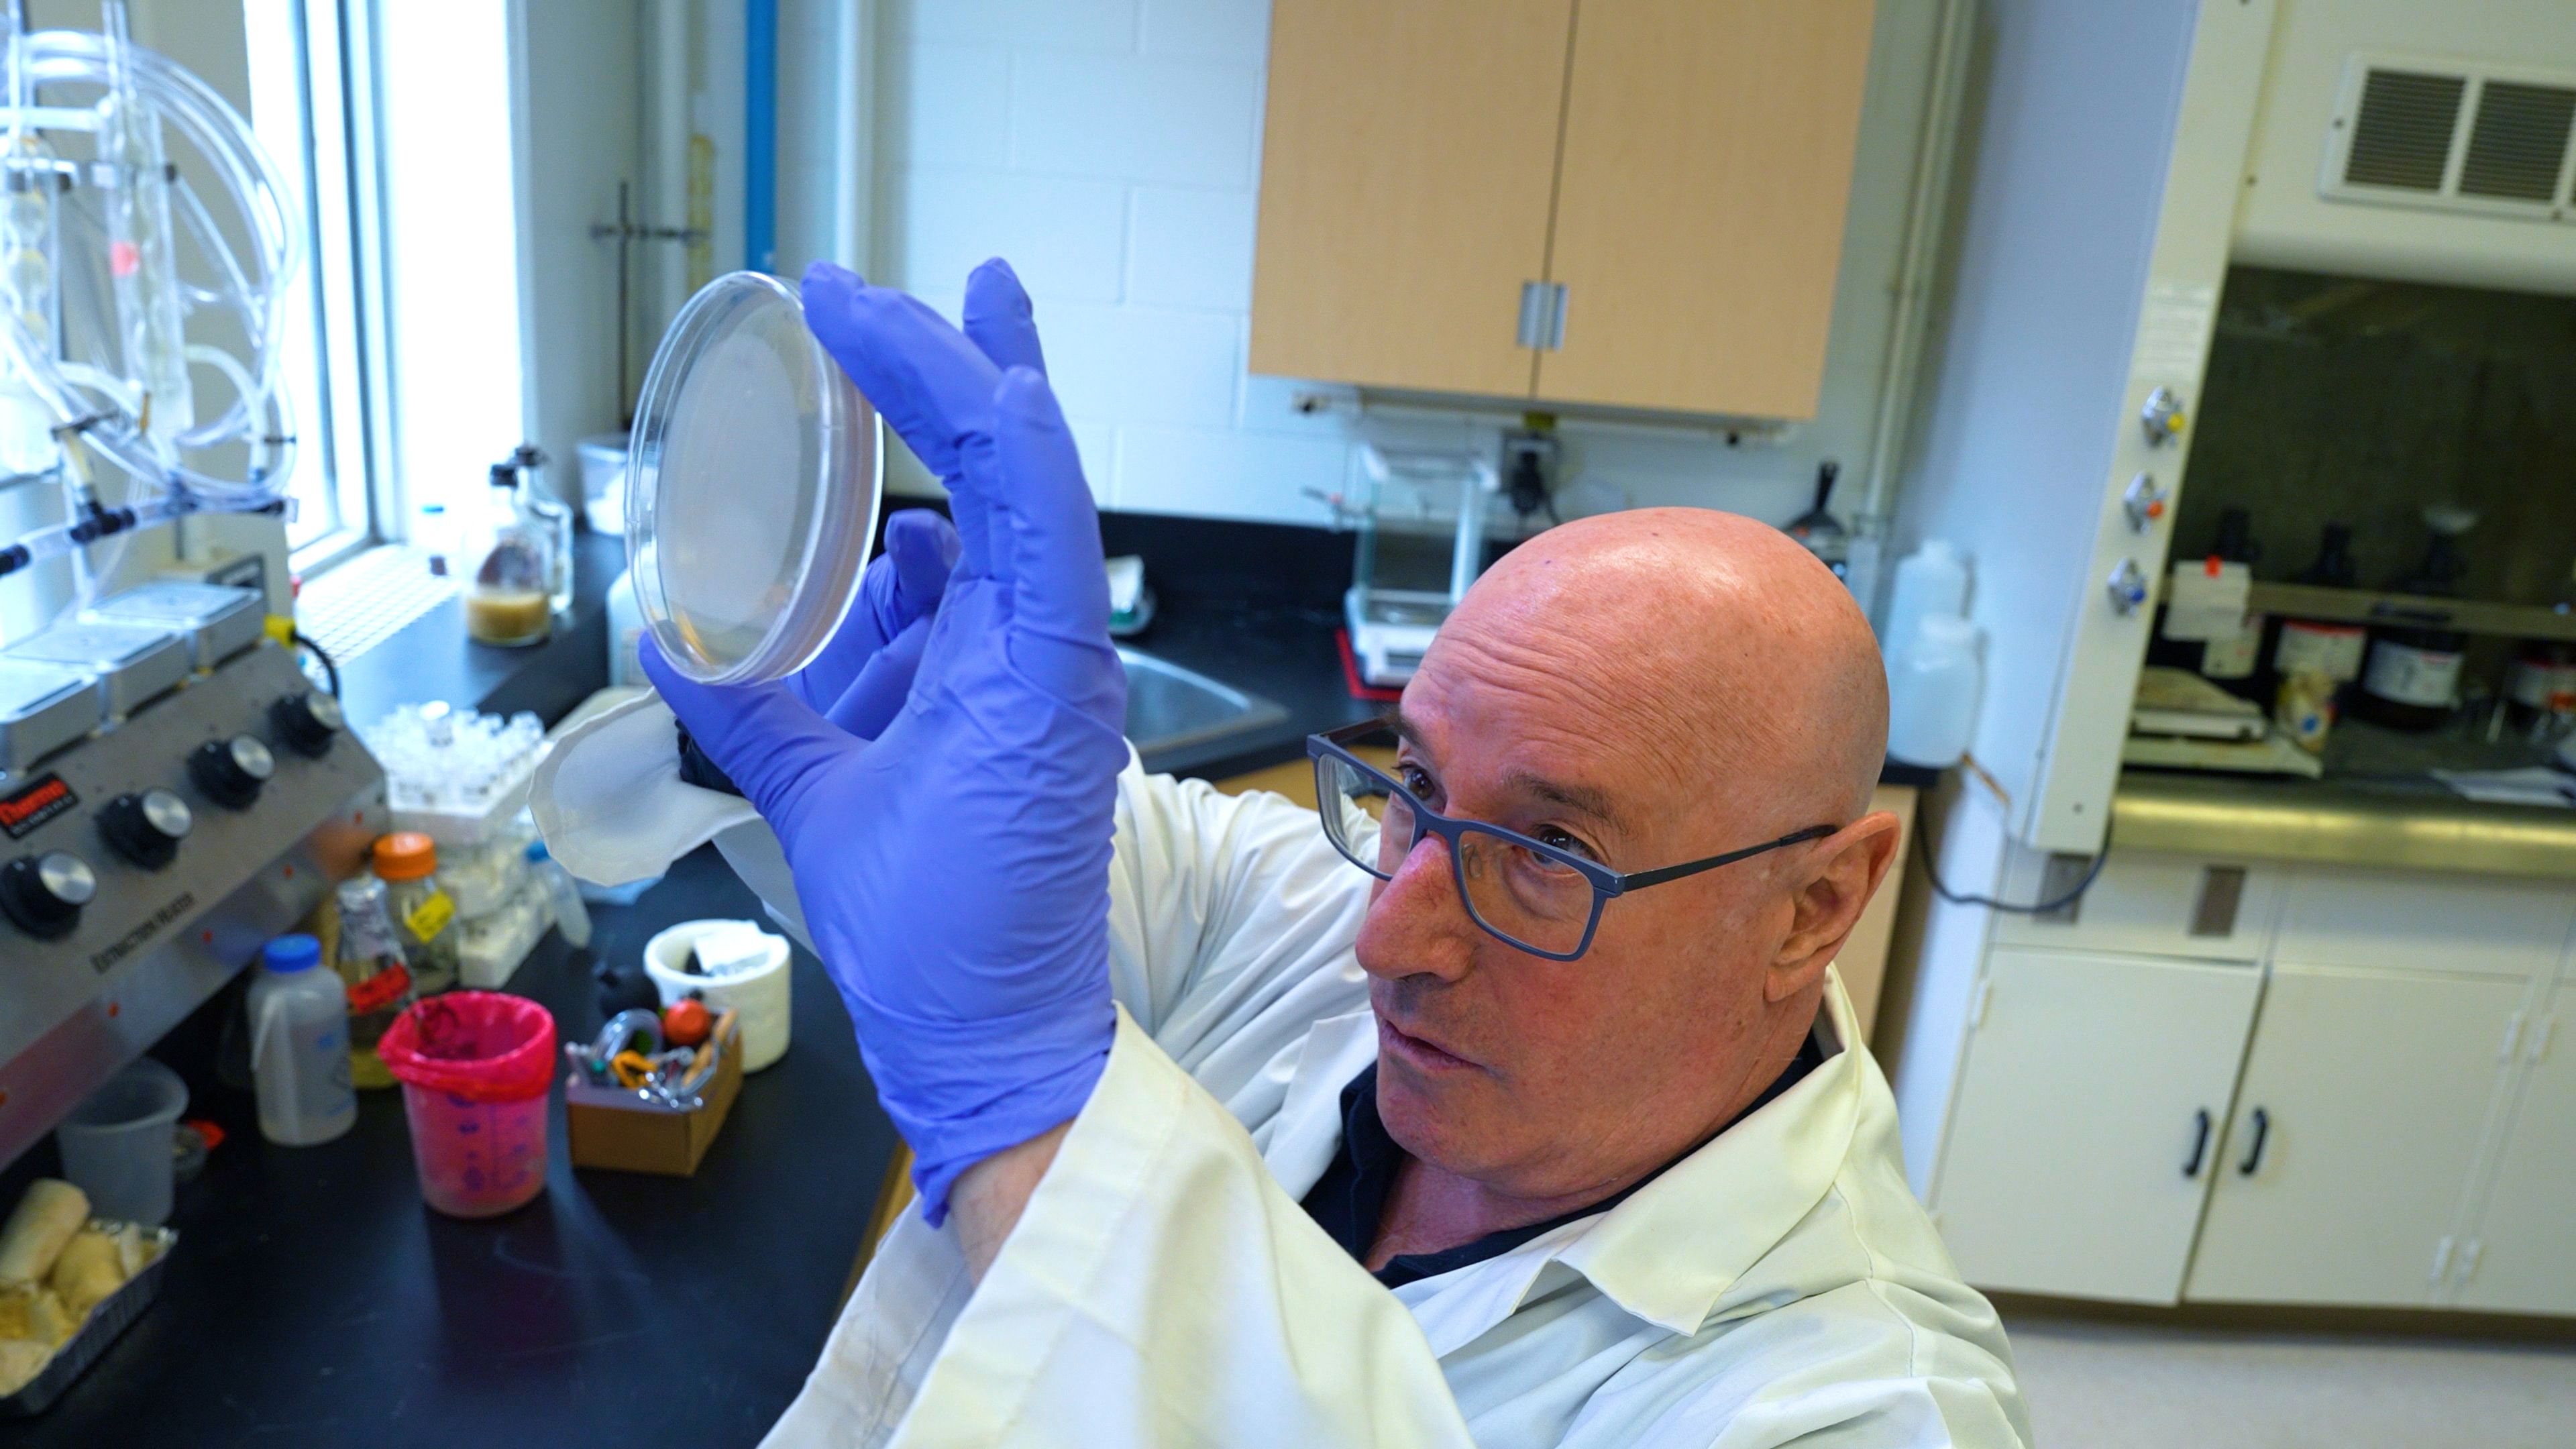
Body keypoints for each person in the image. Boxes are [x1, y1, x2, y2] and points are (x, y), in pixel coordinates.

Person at [645, 258, 2032, 1448]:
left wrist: (1020, 1108)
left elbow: (999, 1007)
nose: (1392, 937)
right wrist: (906, 761)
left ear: (1815, 906)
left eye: (1551, 849)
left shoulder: (1860, 1406)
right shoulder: (1299, 911)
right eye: (1418, 787)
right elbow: (1010, 883)